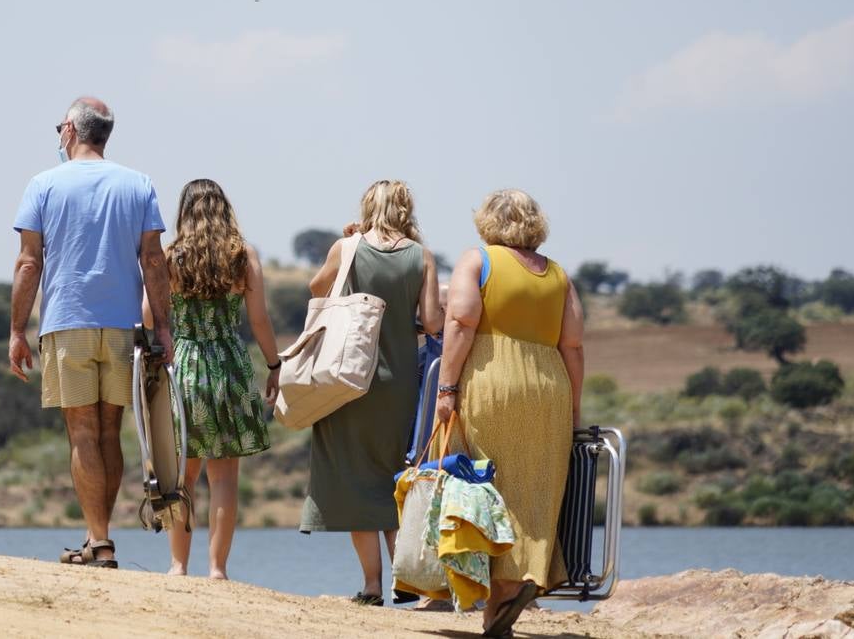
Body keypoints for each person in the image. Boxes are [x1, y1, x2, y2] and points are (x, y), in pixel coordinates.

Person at [8, 97, 174, 569]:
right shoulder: (138, 183)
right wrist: (162, 325)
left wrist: (17, 329)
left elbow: (28, 262)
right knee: (110, 431)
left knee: (82, 432)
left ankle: (99, 540)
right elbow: (154, 260)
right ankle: (95, 536)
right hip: (123, 326)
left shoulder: (43, 184)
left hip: (67, 321)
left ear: (72, 132)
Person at [433, 188, 585, 637]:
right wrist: (574, 408)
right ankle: (516, 589)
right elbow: (573, 345)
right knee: (533, 494)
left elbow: (460, 321)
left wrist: (446, 386)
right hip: (548, 388)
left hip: (492, 380)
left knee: (483, 487)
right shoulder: (558, 275)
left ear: (487, 221)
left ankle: (492, 596)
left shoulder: (477, 260)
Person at [300, 180, 446, 606]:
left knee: (353, 478)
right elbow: (433, 321)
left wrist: (347, 246)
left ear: (367, 207)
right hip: (398, 382)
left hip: (349, 379)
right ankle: (407, 580)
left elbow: (315, 289)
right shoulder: (422, 256)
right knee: (392, 478)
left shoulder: (346, 247)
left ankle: (370, 586)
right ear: (406, 210)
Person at [141, 179, 280, 581]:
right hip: (229, 366)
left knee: (180, 473)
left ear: (184, 212)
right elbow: (259, 320)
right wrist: (274, 366)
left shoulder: (172, 256)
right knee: (224, 476)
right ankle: (217, 569)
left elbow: (148, 316)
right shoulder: (243, 255)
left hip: (183, 364)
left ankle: (178, 565)